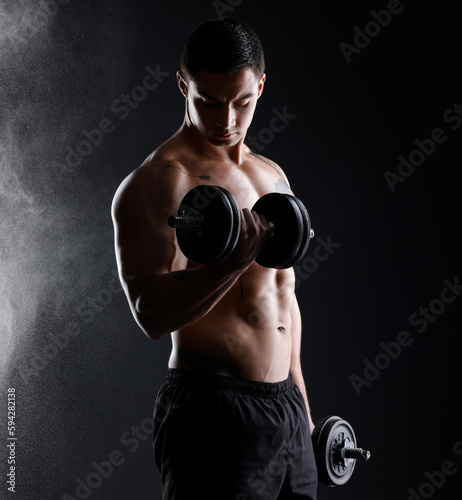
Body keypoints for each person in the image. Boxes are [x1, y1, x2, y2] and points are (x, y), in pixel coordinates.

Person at [111, 17, 317, 500]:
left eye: (242, 101)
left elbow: (284, 301)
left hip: (286, 409)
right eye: (209, 100)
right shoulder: (160, 181)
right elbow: (151, 313)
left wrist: (302, 407)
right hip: (213, 407)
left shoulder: (272, 175)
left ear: (261, 87)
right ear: (183, 85)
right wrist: (229, 264)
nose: (226, 119)